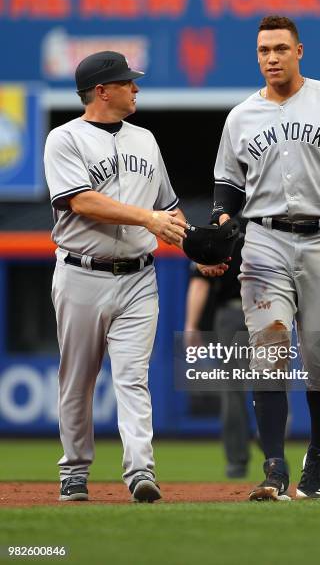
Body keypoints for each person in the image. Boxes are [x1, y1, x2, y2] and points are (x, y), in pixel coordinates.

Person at [200, 16, 320, 501]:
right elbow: (227, 186)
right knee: (268, 351)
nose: (271, 57)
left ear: (299, 51)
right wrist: (223, 220)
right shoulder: (241, 116)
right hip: (264, 240)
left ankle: (318, 459)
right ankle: (273, 470)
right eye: (264, 50)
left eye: (281, 48)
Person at [44, 51, 187, 503]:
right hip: (81, 273)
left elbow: (167, 208)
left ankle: (141, 471)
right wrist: (150, 219)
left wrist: (194, 246)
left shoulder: (146, 140)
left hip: (139, 277)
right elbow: (81, 201)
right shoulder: (64, 139)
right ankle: (74, 471)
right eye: (127, 82)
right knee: (78, 378)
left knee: (132, 376)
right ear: (102, 91)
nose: (136, 88)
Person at [184, 223, 251, 478]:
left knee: (233, 391)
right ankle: (273, 451)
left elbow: (200, 283)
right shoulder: (273, 222)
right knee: (273, 386)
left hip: (232, 314)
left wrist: (191, 325)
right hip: (270, 309)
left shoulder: (219, 231)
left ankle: (237, 461)